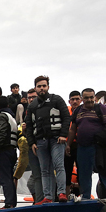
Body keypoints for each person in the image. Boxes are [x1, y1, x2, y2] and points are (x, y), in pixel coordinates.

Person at [65, 88, 106, 200]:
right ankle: (85, 196)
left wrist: (105, 137)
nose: (89, 100)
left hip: (99, 146)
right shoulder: (78, 111)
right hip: (83, 147)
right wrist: (68, 144)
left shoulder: (101, 108)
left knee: (105, 169)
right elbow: (72, 129)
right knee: (84, 173)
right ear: (82, 99)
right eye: (86, 98)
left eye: (91, 97)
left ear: (94, 97)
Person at [24, 75, 70, 205]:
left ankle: (61, 193)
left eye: (44, 86)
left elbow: (67, 117)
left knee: (58, 165)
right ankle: (48, 196)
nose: (42, 88)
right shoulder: (32, 106)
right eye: (39, 86)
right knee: (44, 170)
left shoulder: (57, 100)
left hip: (57, 140)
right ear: (35, 88)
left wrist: (63, 134)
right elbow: (29, 125)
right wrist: (31, 142)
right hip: (40, 142)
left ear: (48, 87)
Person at [0, 96, 19, 208]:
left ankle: (9, 203)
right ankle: (12, 202)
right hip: (12, 150)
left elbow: (1, 133)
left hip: (4, 150)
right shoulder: (11, 116)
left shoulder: (1, 116)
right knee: (10, 177)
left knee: (4, 177)